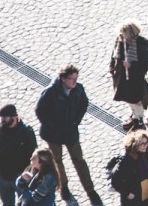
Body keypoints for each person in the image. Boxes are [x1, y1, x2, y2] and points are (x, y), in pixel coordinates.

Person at [35, 64, 102, 205]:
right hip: (53, 135)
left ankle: (90, 190)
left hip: (70, 132)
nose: (75, 82)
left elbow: (84, 103)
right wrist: (52, 126)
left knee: (79, 160)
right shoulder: (51, 91)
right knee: (57, 161)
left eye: (76, 79)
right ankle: (63, 187)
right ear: (63, 79)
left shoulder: (78, 89)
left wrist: (75, 121)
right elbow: (40, 110)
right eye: (72, 79)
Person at [0, 103, 37, 206]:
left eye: (5, 118)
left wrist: (27, 172)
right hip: (2, 174)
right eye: (1, 117)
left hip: (19, 174)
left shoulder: (26, 132)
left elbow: (33, 153)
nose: (2, 120)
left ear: (14, 117)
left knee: (24, 202)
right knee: (7, 202)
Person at [110, 21, 148, 131]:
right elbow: (113, 56)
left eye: (124, 34)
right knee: (128, 99)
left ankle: (139, 119)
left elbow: (145, 65)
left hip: (134, 80)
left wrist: (131, 66)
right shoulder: (119, 41)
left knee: (135, 100)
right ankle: (134, 116)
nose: (121, 36)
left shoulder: (140, 45)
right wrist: (112, 70)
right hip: (121, 78)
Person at [110, 129, 148, 206]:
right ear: (135, 145)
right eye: (142, 143)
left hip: (146, 192)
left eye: (146, 142)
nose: (146, 145)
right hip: (133, 199)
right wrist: (127, 193)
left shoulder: (145, 154)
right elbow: (115, 181)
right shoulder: (126, 162)